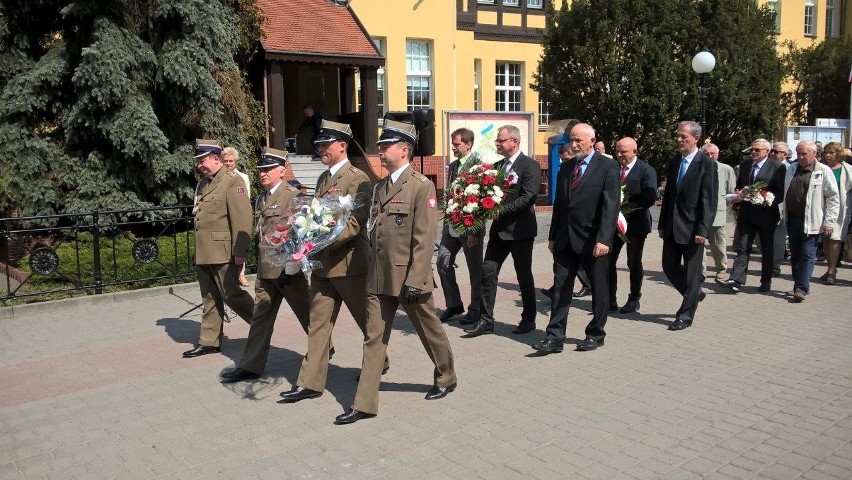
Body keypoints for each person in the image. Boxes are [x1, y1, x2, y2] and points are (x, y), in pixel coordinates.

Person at [334, 120, 456, 425]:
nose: (381, 151)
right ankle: (364, 403)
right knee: (373, 338)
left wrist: (416, 279)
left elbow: (424, 238)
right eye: (380, 146)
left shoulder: (421, 185)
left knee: (429, 330)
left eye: (386, 146)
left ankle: (446, 374)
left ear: (404, 150)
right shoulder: (380, 187)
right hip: (379, 277)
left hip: (408, 278)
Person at [277, 121, 389, 401]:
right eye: (318, 145)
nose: (320, 149)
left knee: (366, 322)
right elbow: (316, 216)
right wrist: (303, 237)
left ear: (343, 145)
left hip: (350, 265)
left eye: (325, 144)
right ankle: (310, 382)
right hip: (323, 266)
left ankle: (380, 362)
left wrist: (315, 242)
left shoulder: (359, 178)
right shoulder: (323, 179)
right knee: (318, 324)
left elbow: (354, 224)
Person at [219, 148, 314, 380]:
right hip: (265, 271)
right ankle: (250, 365)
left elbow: (304, 234)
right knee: (260, 319)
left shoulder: (292, 196)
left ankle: (323, 348)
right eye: (261, 169)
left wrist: (292, 265)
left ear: (282, 171)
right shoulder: (262, 198)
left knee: (309, 316)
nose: (263, 173)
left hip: (287, 272)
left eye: (268, 169)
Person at [532, 123, 619, 354]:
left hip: (593, 239)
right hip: (564, 240)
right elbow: (560, 205)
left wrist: (604, 239)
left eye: (578, 140)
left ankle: (595, 334)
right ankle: (554, 337)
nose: (574, 144)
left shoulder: (608, 167)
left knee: (599, 288)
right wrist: (552, 236)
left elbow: (611, 206)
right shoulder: (567, 168)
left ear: (592, 140)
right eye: (571, 140)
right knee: (560, 288)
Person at [464, 125, 541, 337]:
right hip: (499, 233)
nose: (497, 143)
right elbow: (483, 200)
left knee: (523, 275)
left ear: (514, 142)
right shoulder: (497, 166)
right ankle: (486, 320)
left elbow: (529, 197)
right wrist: (474, 229)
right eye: (497, 140)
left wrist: (501, 212)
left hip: (520, 232)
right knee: (488, 271)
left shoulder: (530, 166)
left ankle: (529, 318)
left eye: (501, 140)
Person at [184, 139, 254, 358]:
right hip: (205, 251)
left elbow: (242, 219)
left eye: (202, 160)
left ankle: (261, 324)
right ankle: (209, 341)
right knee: (210, 298)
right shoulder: (204, 183)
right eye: (198, 162)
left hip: (223, 252)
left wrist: (240, 251)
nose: (199, 165)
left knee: (231, 294)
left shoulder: (234, 181)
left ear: (216, 158)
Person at [657, 121, 717, 331]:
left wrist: (703, 229)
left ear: (696, 138)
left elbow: (709, 201)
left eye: (684, 136)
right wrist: (663, 224)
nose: (679, 139)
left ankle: (685, 314)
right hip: (673, 226)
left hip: (693, 229)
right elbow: (669, 197)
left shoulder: (706, 164)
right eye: (678, 136)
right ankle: (694, 294)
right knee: (669, 266)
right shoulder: (675, 162)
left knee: (692, 273)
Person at [720, 139, 786, 294]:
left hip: (766, 215)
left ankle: (766, 280)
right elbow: (740, 186)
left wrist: (767, 199)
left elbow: (780, 193)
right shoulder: (745, 165)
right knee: (743, 247)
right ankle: (736, 280)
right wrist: (738, 194)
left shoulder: (777, 168)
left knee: (767, 249)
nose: (753, 152)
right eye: (752, 150)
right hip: (746, 213)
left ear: (767, 152)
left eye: (757, 150)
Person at [437, 128, 484, 325]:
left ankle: (477, 309)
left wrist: (474, 231)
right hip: (452, 225)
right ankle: (454, 303)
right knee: (442, 262)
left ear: (468, 144)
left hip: (470, 228)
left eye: (456, 144)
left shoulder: (478, 167)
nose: (453, 148)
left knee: (475, 271)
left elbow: (483, 201)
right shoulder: (454, 165)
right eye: (453, 144)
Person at [783, 141, 839, 302]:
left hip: (812, 220)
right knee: (795, 254)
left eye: (803, 154)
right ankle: (797, 285)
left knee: (808, 254)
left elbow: (833, 198)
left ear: (814, 154)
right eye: (798, 153)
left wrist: (829, 222)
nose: (800, 157)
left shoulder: (823, 171)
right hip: (792, 218)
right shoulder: (792, 168)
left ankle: (801, 288)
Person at [609, 137, 657, 314]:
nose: (620, 155)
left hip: (636, 225)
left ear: (635, 152)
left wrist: (626, 211)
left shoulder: (646, 170)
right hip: (612, 225)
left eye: (624, 152)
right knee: (608, 261)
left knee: (633, 262)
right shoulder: (612, 169)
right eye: (617, 151)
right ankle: (610, 298)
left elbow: (649, 198)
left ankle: (634, 298)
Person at [541, 143, 594, 300]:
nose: (564, 162)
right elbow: (558, 204)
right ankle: (558, 291)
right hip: (564, 232)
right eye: (562, 160)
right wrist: (552, 236)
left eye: (566, 159)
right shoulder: (564, 172)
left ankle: (592, 288)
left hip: (584, 231)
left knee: (580, 264)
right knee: (563, 265)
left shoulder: (590, 171)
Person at [817, 142, 852, 285]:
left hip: (841, 209)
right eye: (826, 153)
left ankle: (832, 270)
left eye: (832, 153)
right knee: (825, 237)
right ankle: (830, 267)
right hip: (821, 207)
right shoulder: (821, 168)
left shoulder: (848, 169)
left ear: (839, 154)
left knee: (836, 237)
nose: (828, 155)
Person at [701, 143, 736, 281]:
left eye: (712, 154)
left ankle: (721, 269)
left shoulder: (726, 169)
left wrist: (723, 204)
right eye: (706, 154)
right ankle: (700, 271)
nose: (710, 156)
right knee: (699, 245)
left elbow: (731, 192)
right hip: (700, 213)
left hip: (717, 213)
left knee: (718, 244)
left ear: (717, 155)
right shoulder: (698, 167)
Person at [222, 147, 252, 287]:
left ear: (236, 161)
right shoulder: (220, 178)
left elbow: (245, 196)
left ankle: (241, 273)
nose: (228, 163)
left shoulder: (242, 177)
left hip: (237, 212)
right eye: (226, 161)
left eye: (231, 161)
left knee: (240, 241)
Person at [770, 142, 793, 277]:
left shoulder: (790, 168)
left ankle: (775, 266)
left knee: (778, 239)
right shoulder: (768, 166)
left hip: (781, 209)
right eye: (772, 151)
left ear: (785, 154)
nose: (773, 153)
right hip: (765, 207)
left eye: (776, 151)